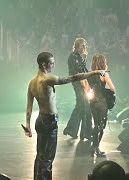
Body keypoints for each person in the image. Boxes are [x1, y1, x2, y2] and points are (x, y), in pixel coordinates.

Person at [24, 52, 106, 180]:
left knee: (40, 156)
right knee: (47, 158)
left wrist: (28, 125)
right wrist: (94, 72)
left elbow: (29, 106)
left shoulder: (32, 82)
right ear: (43, 64)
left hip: (40, 120)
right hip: (49, 121)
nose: (54, 65)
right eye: (51, 62)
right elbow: (73, 77)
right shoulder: (47, 80)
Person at [63, 37, 93, 140]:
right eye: (82, 46)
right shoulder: (72, 57)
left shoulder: (79, 57)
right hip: (77, 83)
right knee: (85, 106)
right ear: (76, 47)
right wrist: (83, 59)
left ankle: (71, 130)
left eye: (85, 46)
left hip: (83, 83)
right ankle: (86, 133)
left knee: (81, 106)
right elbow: (78, 70)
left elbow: (84, 70)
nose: (84, 48)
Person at [87, 54, 115, 157]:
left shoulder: (89, 75)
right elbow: (112, 88)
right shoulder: (104, 75)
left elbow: (86, 90)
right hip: (102, 102)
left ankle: (93, 147)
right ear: (103, 63)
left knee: (96, 124)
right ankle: (96, 147)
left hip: (93, 101)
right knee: (101, 125)